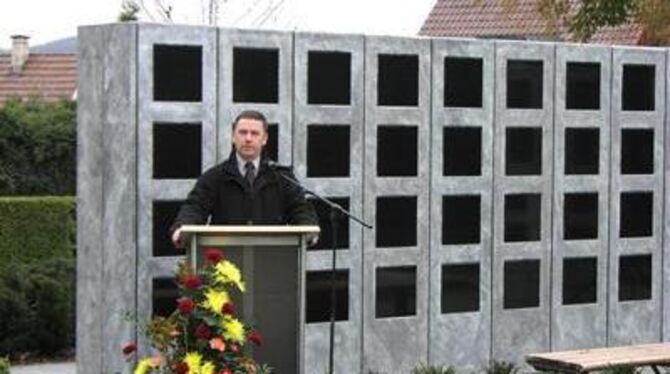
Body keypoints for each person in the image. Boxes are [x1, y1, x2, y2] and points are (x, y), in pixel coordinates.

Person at [170, 110, 318, 247]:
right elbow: (194, 207)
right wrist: (181, 227)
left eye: (254, 133)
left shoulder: (282, 176)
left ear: (264, 138)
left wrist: (309, 229)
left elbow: (300, 209)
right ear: (233, 137)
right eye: (242, 132)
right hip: (226, 259)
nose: (248, 138)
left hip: (271, 255)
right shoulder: (214, 177)